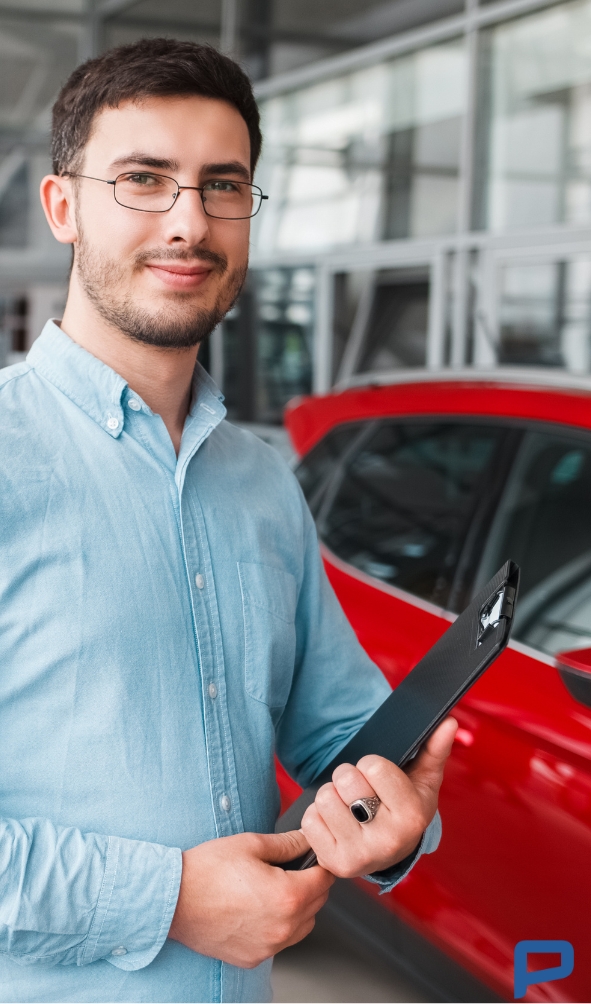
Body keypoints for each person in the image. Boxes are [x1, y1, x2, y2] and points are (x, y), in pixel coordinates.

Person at [0, 38, 457, 1004]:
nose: (187, 222)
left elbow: (329, 725)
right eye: (142, 180)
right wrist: (164, 898)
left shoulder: (259, 480)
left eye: (221, 186)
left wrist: (392, 813)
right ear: (62, 207)